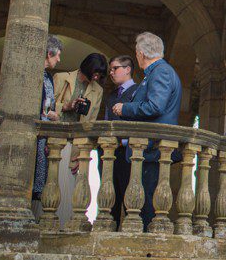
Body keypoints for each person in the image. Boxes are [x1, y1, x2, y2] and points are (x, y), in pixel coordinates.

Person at [113, 32, 182, 230]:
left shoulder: (161, 71)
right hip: (149, 149)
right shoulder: (158, 71)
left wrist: (124, 108)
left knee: (146, 206)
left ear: (141, 54)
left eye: (136, 53)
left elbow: (155, 106)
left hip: (151, 149)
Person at [52, 52, 108, 228]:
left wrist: (85, 152)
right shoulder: (61, 78)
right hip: (56, 140)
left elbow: (91, 122)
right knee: (54, 184)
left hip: (77, 146)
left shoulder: (97, 90)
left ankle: (64, 227)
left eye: (100, 74)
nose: (96, 76)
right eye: (95, 72)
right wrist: (67, 106)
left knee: (71, 188)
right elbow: (48, 107)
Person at [104, 55, 138, 229]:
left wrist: (123, 141)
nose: (111, 72)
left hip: (127, 153)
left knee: (128, 196)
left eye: (115, 68)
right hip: (109, 153)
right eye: (110, 69)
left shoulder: (137, 92)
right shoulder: (111, 95)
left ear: (127, 69)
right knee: (110, 198)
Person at [32, 36, 62, 221]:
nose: (59, 59)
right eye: (57, 55)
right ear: (49, 53)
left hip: (44, 135)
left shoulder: (48, 76)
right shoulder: (33, 74)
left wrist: (52, 113)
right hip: (33, 134)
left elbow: (47, 103)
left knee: (40, 181)